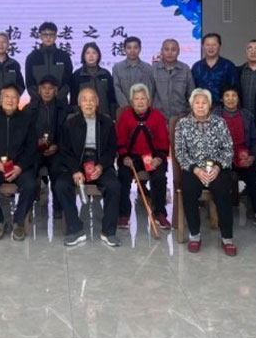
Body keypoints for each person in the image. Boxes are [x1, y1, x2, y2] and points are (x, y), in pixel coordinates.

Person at [55, 88, 121, 247]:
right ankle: (75, 229)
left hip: (99, 163)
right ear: (79, 103)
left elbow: (111, 150)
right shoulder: (70, 123)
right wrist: (75, 170)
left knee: (114, 186)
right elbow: (64, 151)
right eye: (84, 99)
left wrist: (101, 166)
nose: (89, 103)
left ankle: (108, 232)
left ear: (97, 103)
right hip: (77, 164)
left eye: (92, 99)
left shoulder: (106, 123)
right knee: (61, 185)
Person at [175, 88, 236, 256]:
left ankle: (227, 237)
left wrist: (217, 167)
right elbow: (180, 152)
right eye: (197, 103)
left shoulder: (219, 122)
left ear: (210, 105)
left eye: (204, 103)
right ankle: (195, 235)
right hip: (193, 168)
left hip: (217, 167)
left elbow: (228, 149)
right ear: (191, 105)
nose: (201, 106)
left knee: (222, 191)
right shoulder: (182, 124)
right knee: (189, 190)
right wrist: (196, 170)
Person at [0, 84, 38, 242]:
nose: (10, 100)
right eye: (7, 97)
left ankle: (18, 221)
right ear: (0, 100)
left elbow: (32, 148)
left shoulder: (27, 119)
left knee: (31, 185)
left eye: (14, 97)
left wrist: (19, 167)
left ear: (19, 100)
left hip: (20, 167)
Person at [213, 87, 256, 231]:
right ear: (222, 99)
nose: (230, 99)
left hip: (243, 157)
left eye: (234, 95)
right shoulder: (215, 116)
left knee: (254, 181)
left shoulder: (247, 115)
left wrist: (252, 156)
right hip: (223, 158)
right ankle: (222, 215)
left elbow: (255, 140)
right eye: (227, 95)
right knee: (221, 181)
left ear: (238, 98)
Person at [115, 84, 171, 230]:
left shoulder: (158, 117)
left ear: (148, 100)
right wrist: (125, 157)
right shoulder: (125, 116)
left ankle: (160, 213)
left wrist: (158, 159)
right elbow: (120, 140)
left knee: (159, 177)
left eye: (143, 98)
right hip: (131, 158)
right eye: (136, 99)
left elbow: (164, 142)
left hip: (153, 158)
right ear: (131, 101)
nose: (140, 102)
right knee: (123, 176)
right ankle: (123, 214)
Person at [25, 75, 69, 219]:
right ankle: (28, 205)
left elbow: (68, 133)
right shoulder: (29, 108)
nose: (47, 91)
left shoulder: (64, 108)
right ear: (39, 90)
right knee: (30, 168)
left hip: (56, 150)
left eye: (50, 88)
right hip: (35, 150)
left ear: (56, 91)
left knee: (57, 169)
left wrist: (57, 145)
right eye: (44, 88)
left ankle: (58, 207)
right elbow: (23, 133)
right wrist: (35, 143)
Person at [25, 21, 73, 104]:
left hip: (60, 104)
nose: (48, 37)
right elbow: (29, 83)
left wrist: (58, 97)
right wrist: (40, 99)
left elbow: (68, 81)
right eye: (45, 35)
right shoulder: (32, 57)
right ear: (40, 36)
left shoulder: (64, 56)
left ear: (56, 37)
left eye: (51, 35)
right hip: (37, 104)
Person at [112, 36, 155, 118]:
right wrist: (126, 107)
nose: (132, 51)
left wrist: (145, 106)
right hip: (124, 111)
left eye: (135, 47)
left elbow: (150, 90)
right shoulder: (117, 68)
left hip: (144, 111)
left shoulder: (148, 68)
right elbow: (117, 89)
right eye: (129, 48)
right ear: (124, 49)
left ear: (140, 49)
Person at [70, 42, 117, 118]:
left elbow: (111, 98)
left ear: (98, 55)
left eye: (94, 53)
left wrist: (113, 116)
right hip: (84, 116)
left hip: (104, 115)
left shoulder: (105, 74)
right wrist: (77, 117)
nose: (91, 56)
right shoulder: (77, 75)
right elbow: (74, 100)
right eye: (88, 53)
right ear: (83, 56)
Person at [151, 39, 194, 120]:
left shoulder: (185, 69)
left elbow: (191, 95)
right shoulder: (154, 69)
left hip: (181, 116)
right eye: (166, 49)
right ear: (161, 51)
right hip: (158, 116)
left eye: (173, 50)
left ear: (178, 51)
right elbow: (149, 95)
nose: (170, 53)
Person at [191, 33, 237, 106]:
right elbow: (192, 90)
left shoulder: (228, 66)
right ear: (202, 47)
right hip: (201, 107)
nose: (211, 48)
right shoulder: (196, 67)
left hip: (223, 108)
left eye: (214, 45)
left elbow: (234, 89)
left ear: (219, 46)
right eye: (208, 45)